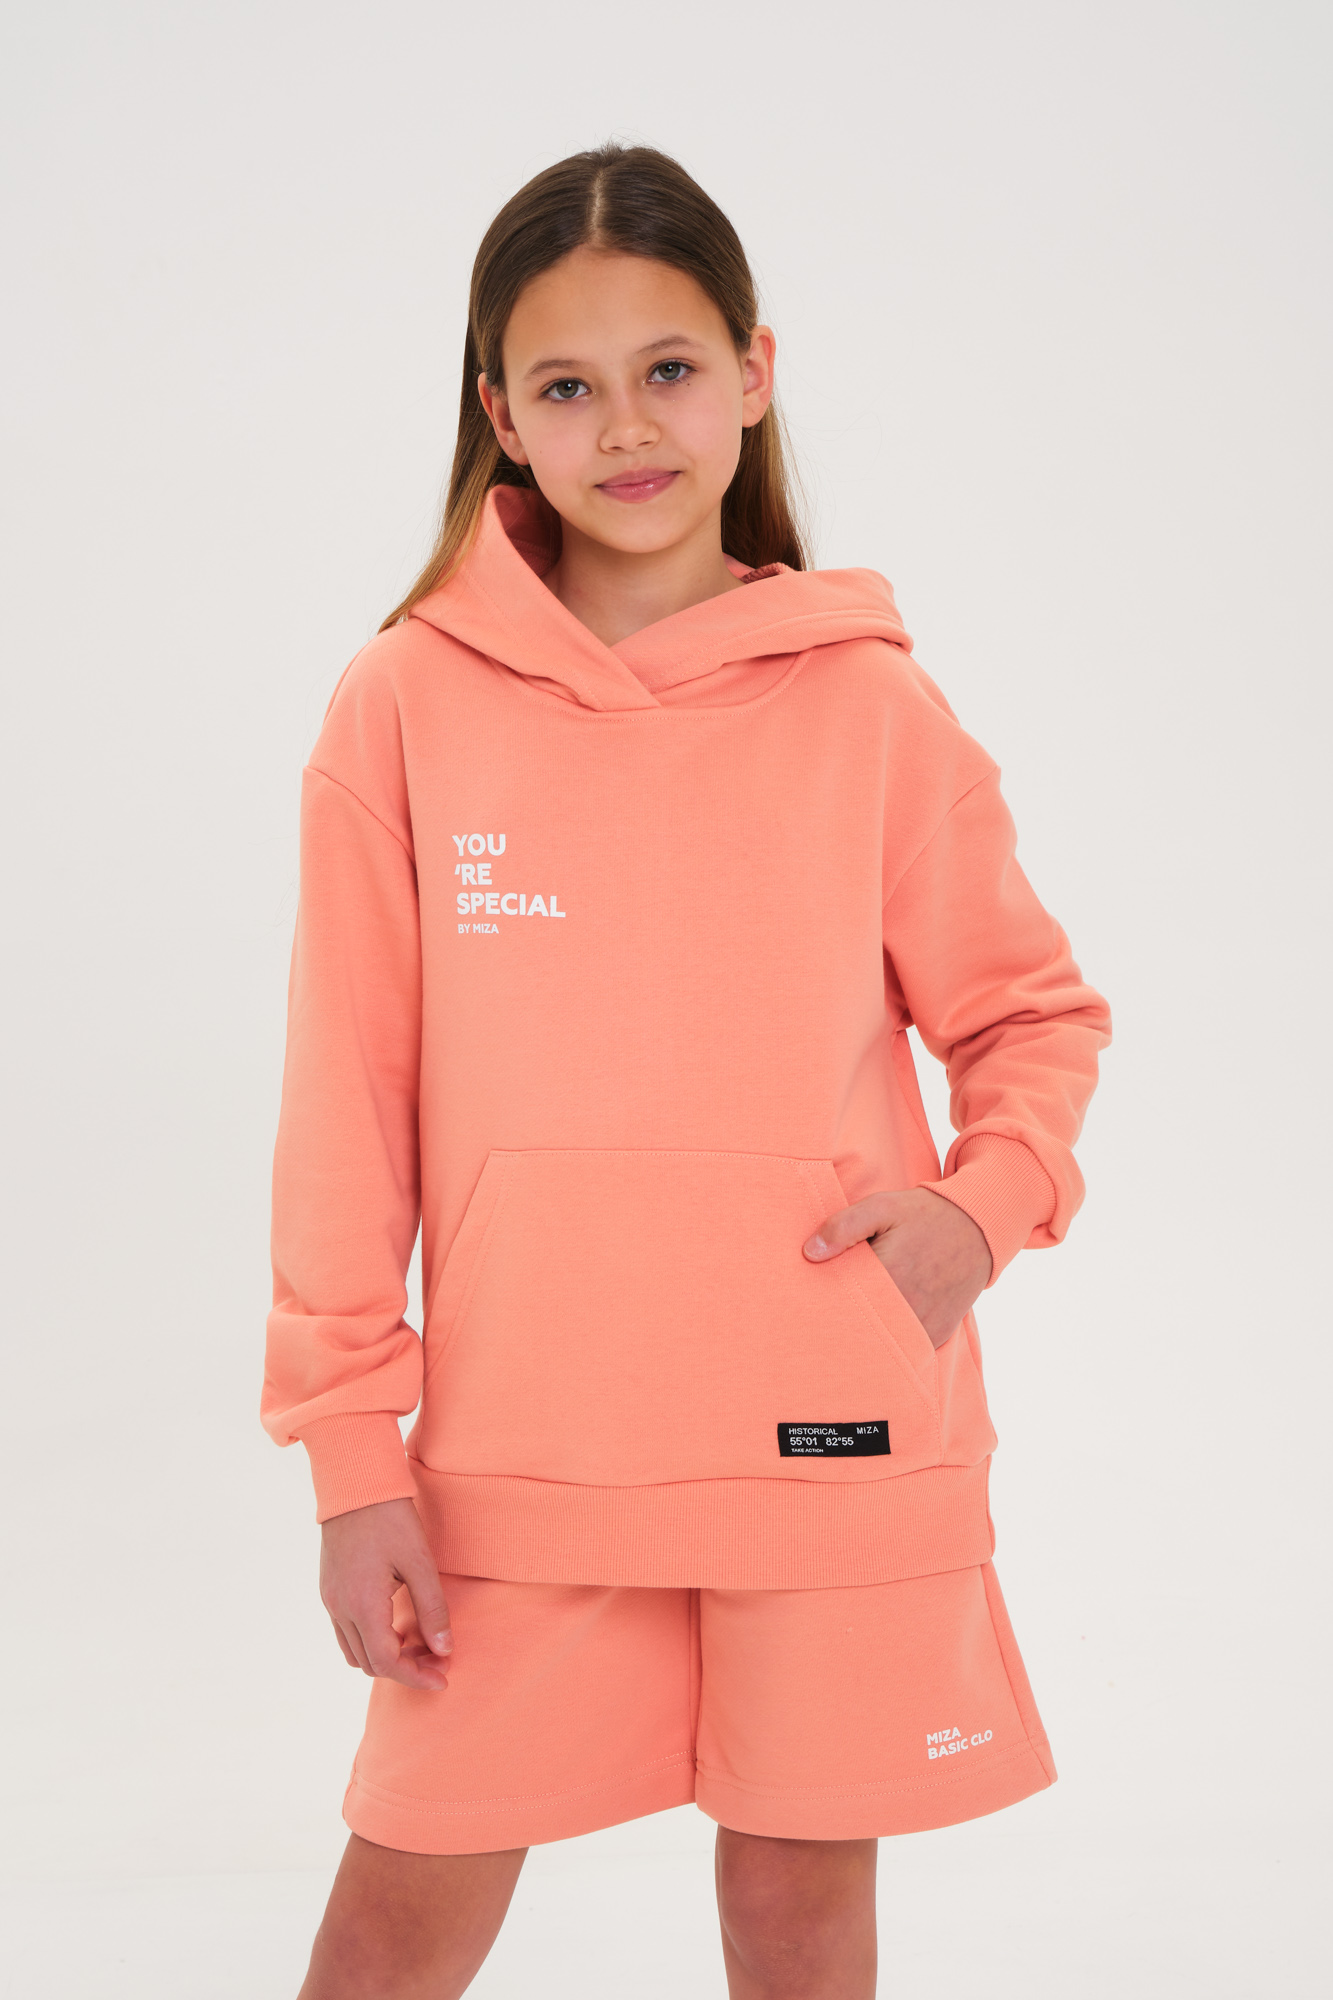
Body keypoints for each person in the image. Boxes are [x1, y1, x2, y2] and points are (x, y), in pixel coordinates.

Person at [261, 141, 1112, 2000]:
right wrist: (348, 1459)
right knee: (398, 1918)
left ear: (753, 371)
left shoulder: (867, 704)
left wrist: (979, 1215)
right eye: (566, 385)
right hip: (521, 1457)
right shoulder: (402, 704)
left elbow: (1031, 1014)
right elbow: (343, 1110)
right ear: (500, 417)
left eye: (668, 367)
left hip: (824, 1428)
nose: (627, 425)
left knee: (796, 1914)